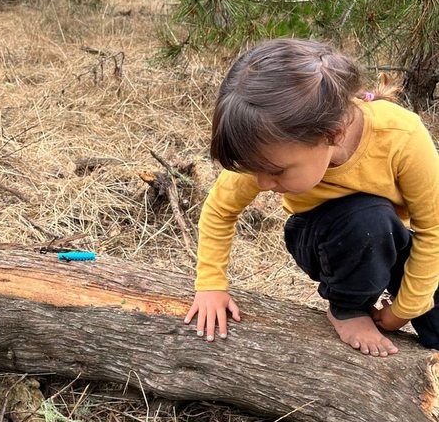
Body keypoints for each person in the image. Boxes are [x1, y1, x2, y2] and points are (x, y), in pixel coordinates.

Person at [185, 38, 439, 358]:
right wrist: (210, 285)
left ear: (333, 134)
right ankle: (348, 308)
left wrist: (403, 310)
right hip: (324, 238)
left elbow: (433, 230)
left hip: (392, 241)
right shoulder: (268, 145)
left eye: (276, 172)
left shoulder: (402, 137)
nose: (262, 183)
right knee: (367, 218)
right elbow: (220, 210)